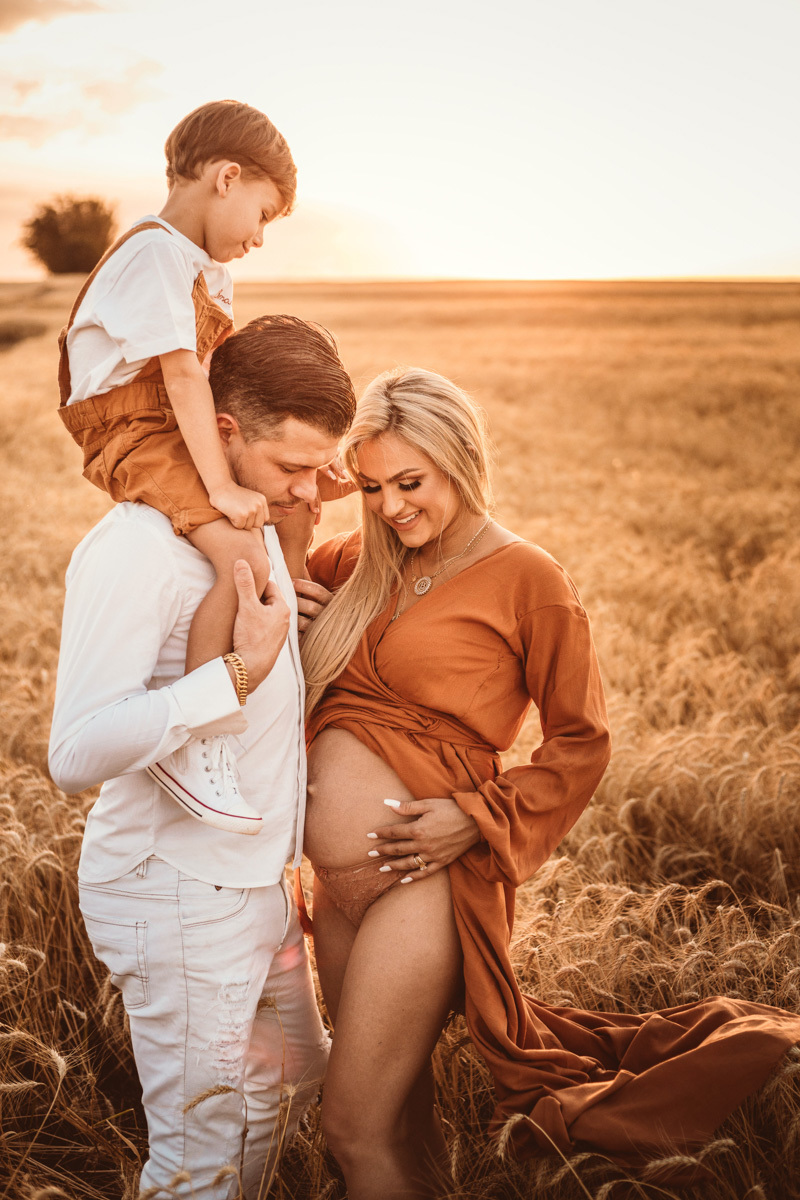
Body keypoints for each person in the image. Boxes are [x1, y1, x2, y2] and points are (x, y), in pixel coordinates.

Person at [284, 366, 800, 1199]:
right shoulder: (354, 563)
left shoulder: (529, 579)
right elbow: (271, 550)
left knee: (352, 1127)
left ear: (460, 458)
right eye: (371, 485)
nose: (390, 507)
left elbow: (581, 740)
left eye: (409, 482)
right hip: (332, 891)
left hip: (423, 882)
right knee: (401, 1124)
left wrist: (475, 818)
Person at [49, 315, 356, 1200]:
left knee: (292, 1086)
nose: (309, 489)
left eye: (320, 467)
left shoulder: (251, 520)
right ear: (223, 431)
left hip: (256, 885)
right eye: (292, 467)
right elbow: (74, 752)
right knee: (201, 1155)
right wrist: (234, 676)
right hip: (176, 891)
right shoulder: (135, 549)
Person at [58, 99, 299, 835]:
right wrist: (222, 487)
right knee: (236, 551)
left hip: (163, 421)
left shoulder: (199, 266)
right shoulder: (156, 252)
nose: (260, 238)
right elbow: (184, 378)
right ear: (227, 178)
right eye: (263, 214)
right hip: (131, 427)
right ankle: (198, 739)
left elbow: (213, 379)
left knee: (265, 534)